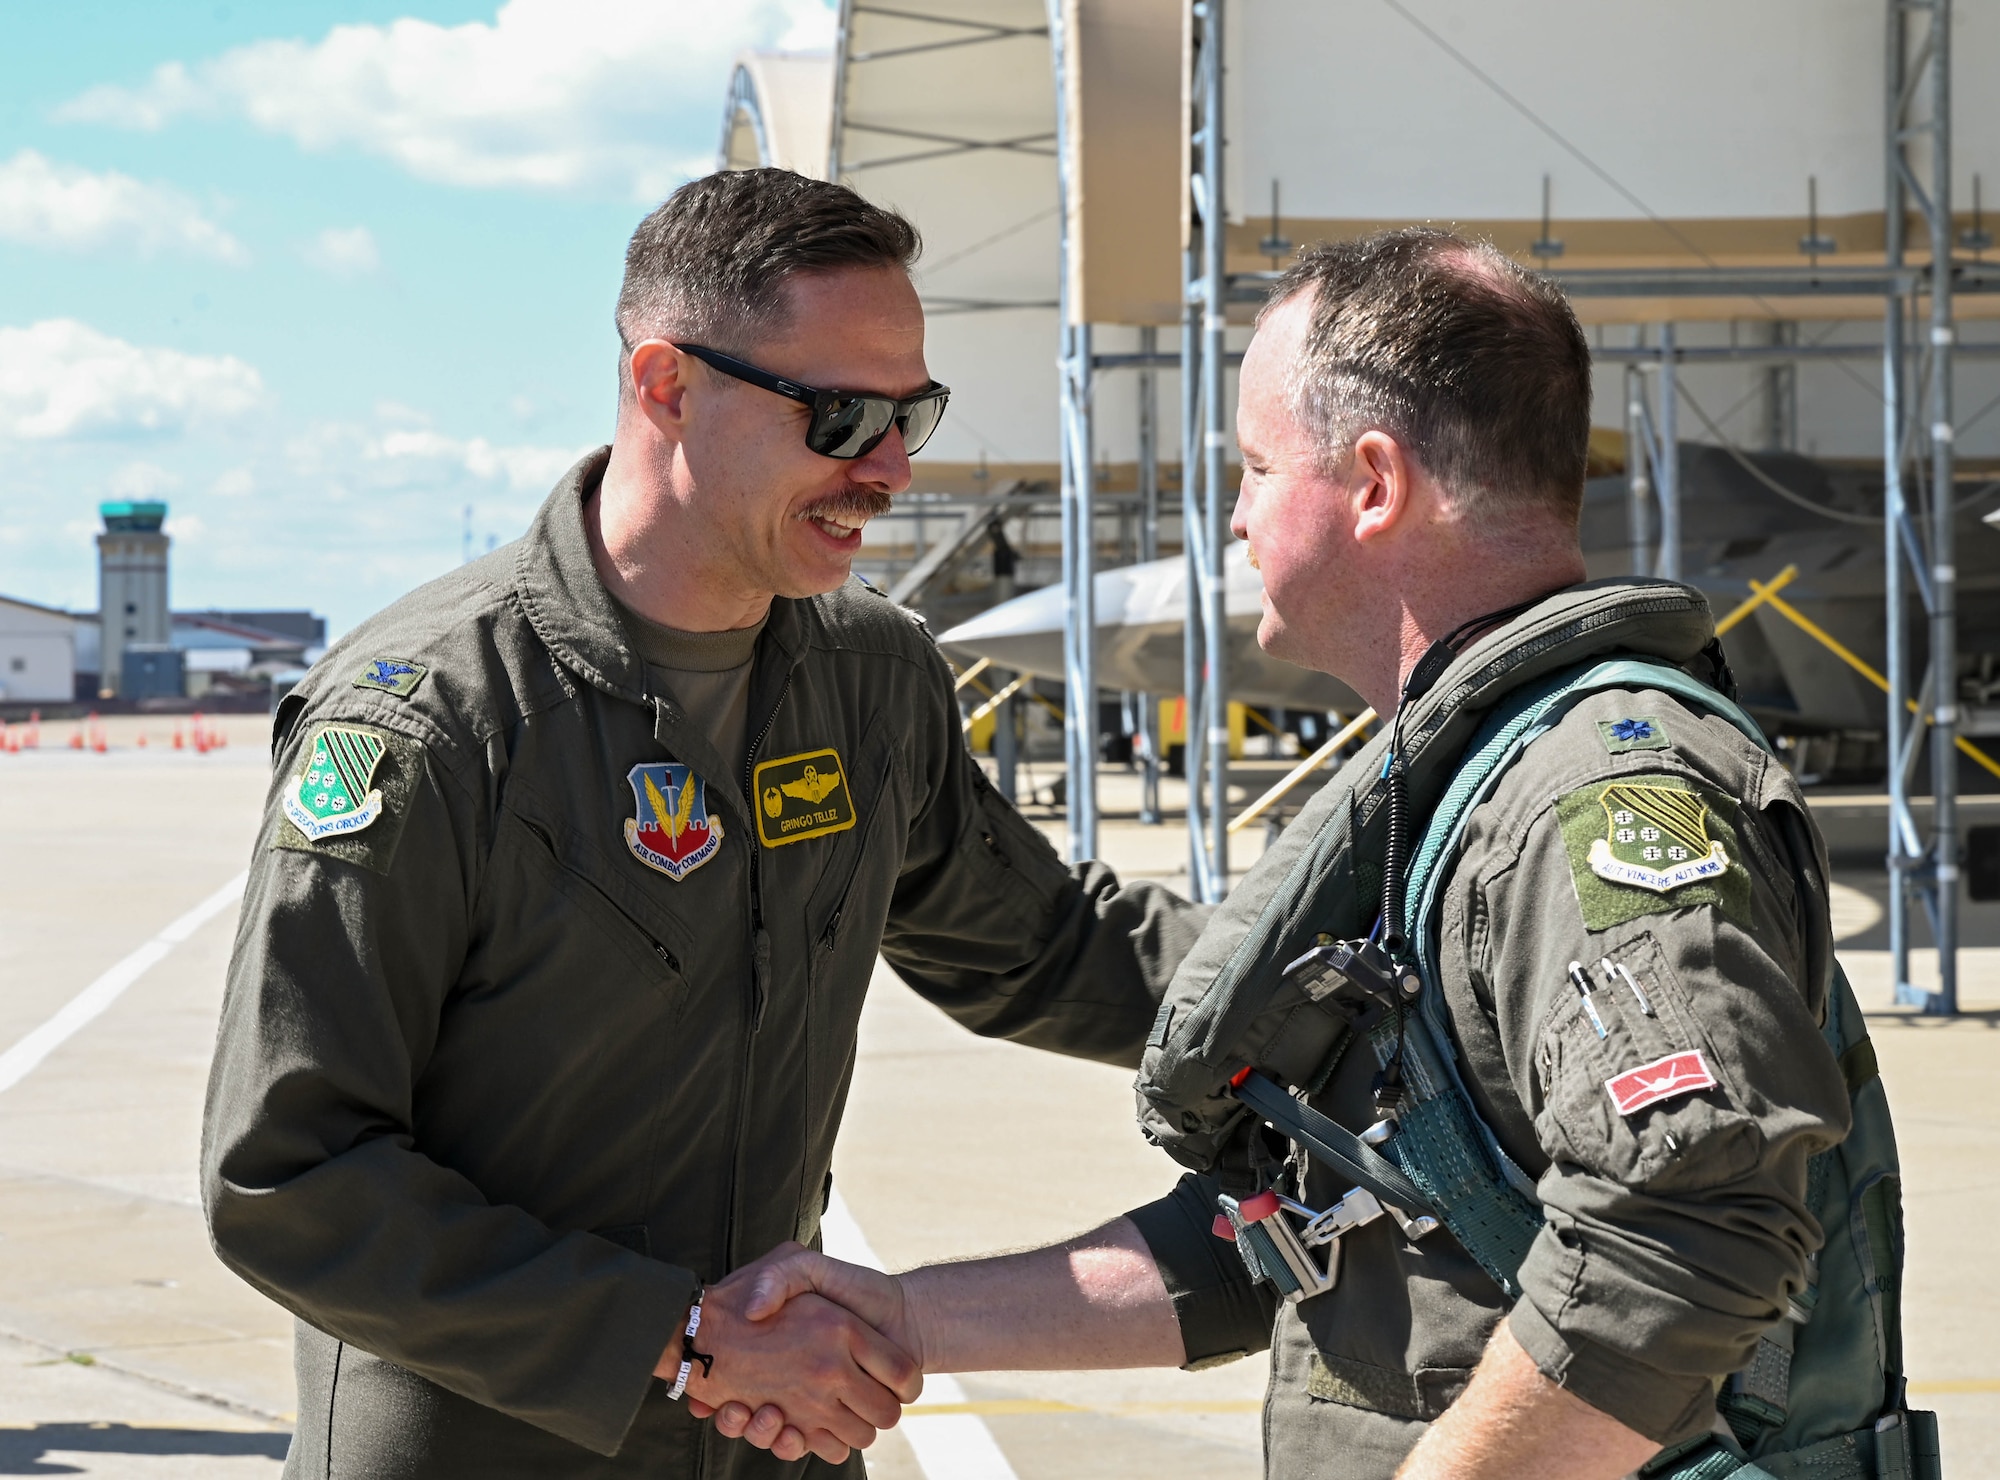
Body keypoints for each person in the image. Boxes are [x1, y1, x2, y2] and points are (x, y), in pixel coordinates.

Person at [714, 230, 1882, 1479]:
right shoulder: (1451, 800)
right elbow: (1306, 1224)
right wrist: (905, 1318)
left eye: (1257, 465)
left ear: (1372, 484)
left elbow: (1689, 1226)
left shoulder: (1588, 792)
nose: (1233, 512)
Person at [201, 168, 1208, 1479]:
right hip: (495, 1446)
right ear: (666, 386)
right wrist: (675, 1341)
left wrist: (1362, 999)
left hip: (778, 1438)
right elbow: (290, 1171)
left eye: (912, 414)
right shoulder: (432, 721)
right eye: (842, 417)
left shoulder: (868, 679)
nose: (893, 468)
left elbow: (1046, 948)